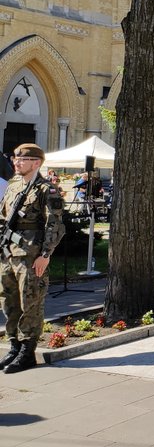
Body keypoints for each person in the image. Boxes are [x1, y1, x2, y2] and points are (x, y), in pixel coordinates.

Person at [0, 144, 66, 374]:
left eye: (22, 159)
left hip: (31, 256)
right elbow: (3, 218)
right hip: (8, 254)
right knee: (9, 302)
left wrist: (45, 255)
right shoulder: (13, 185)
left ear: (36, 162)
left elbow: (55, 225)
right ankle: (14, 346)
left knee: (31, 302)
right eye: (15, 159)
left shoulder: (47, 190)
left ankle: (27, 352)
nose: (16, 162)